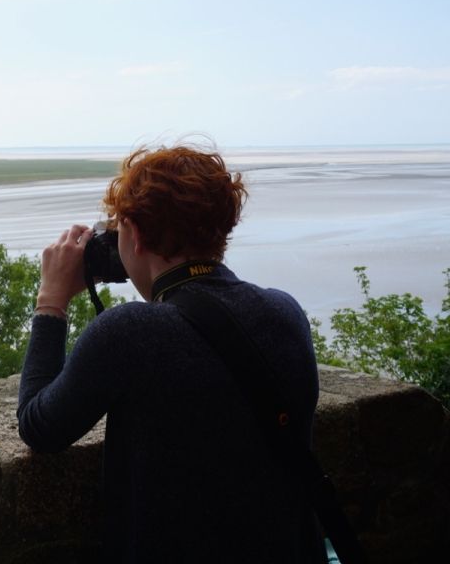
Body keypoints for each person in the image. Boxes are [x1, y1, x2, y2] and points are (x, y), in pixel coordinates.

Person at [17, 144, 324, 562]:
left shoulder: (131, 332)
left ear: (136, 234)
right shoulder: (285, 313)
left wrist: (50, 300)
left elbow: (39, 427)